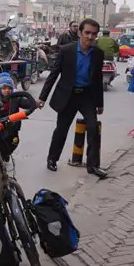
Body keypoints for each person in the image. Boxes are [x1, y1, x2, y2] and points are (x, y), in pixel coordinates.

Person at [38, 18, 108, 179]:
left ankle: (93, 166)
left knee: (93, 128)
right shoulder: (66, 50)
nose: (90, 37)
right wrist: (42, 98)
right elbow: (53, 75)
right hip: (68, 96)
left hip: (86, 96)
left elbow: (97, 79)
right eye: (87, 33)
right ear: (80, 33)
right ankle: (52, 159)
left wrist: (100, 103)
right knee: (61, 130)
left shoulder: (98, 54)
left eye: (94, 34)